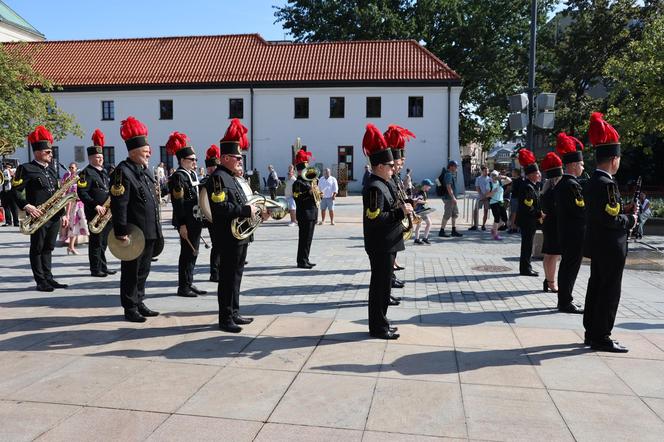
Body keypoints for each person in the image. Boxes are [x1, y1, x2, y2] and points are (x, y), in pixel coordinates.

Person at [583, 112, 637, 352]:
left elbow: (605, 212)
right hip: (610, 245)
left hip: (598, 244)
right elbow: (611, 218)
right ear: (614, 159)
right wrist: (631, 218)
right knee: (609, 290)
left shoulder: (592, 181)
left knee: (596, 286)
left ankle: (591, 330)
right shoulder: (607, 184)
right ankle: (602, 335)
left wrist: (622, 210)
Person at [206, 118, 262, 333]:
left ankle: (234, 312)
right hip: (227, 237)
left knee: (236, 276)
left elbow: (242, 203)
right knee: (227, 279)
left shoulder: (232, 178)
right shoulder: (219, 179)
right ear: (226, 158)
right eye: (238, 158)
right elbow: (221, 209)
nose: (240, 161)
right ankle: (225, 318)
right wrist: (246, 211)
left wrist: (256, 212)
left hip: (239, 236)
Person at [362, 123, 412, 339]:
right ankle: (378, 327)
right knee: (379, 288)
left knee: (384, 288)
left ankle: (382, 322)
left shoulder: (383, 183)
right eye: (390, 166)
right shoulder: (375, 187)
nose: (394, 169)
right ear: (380, 166)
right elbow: (376, 219)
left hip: (388, 241)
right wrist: (400, 213)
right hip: (380, 243)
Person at [111, 116, 162, 323]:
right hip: (133, 233)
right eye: (145, 150)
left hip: (148, 231)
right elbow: (119, 204)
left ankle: (140, 300)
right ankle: (130, 307)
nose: (149, 152)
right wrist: (120, 231)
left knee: (143, 270)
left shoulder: (144, 171)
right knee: (131, 272)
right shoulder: (122, 172)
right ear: (133, 151)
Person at [12, 126, 70, 292]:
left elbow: (57, 193)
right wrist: (27, 206)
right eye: (47, 152)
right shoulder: (25, 168)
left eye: (51, 152)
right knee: (37, 248)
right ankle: (40, 280)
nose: (50, 155)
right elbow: (15, 191)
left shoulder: (51, 169)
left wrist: (63, 213)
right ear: (37, 152)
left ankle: (48, 277)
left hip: (53, 216)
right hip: (38, 215)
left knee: (48, 247)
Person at [166, 131, 207, 298]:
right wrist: (182, 224)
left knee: (193, 252)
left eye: (196, 160)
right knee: (187, 253)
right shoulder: (178, 177)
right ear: (183, 161)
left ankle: (189, 282)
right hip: (186, 221)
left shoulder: (191, 174)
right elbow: (178, 203)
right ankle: (183, 287)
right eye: (192, 160)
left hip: (195, 219)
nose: (195, 162)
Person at [554, 132, 586, 314]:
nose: (583, 167)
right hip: (574, 233)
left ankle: (565, 299)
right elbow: (581, 210)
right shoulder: (572, 185)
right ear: (573, 165)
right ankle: (566, 301)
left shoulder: (562, 184)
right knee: (570, 267)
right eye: (581, 164)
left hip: (567, 232)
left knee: (567, 266)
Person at [77, 129, 115, 277]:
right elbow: (82, 192)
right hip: (95, 212)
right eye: (97, 157)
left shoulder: (104, 172)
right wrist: (95, 205)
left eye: (101, 156)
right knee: (96, 242)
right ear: (91, 158)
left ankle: (103, 267)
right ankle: (95, 269)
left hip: (107, 211)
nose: (100, 159)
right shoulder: (86, 173)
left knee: (104, 241)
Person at [385, 124, 415, 295]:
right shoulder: (388, 178)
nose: (402, 165)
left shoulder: (395, 177)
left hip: (396, 220)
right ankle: (389, 279)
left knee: (394, 252)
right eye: (400, 162)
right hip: (390, 223)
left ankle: (390, 278)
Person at [515, 149, 542, 277]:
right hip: (527, 221)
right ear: (531, 174)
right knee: (527, 245)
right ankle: (525, 269)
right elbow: (528, 206)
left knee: (528, 245)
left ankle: (527, 267)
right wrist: (538, 215)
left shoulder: (532, 186)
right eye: (537, 173)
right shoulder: (528, 187)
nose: (539, 175)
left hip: (529, 220)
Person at [540, 152, 563, 293]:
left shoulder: (546, 190)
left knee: (550, 254)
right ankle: (551, 282)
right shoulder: (554, 191)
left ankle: (548, 280)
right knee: (553, 255)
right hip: (554, 224)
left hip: (549, 224)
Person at [292, 149, 318, 268]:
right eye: (304, 170)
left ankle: (305, 258)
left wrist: (318, 194)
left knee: (308, 239)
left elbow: (314, 196)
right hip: (304, 214)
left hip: (312, 214)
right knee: (304, 239)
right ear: (300, 170)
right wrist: (309, 192)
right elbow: (297, 197)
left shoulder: (308, 182)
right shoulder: (297, 183)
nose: (307, 171)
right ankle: (301, 261)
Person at [62, 162, 89, 255]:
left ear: (76, 168)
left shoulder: (79, 176)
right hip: (71, 203)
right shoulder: (67, 176)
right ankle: (71, 246)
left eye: (72, 167)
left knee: (78, 224)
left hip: (79, 204)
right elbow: (64, 189)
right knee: (72, 225)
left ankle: (71, 247)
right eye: (69, 167)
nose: (70, 169)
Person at [203, 144, 221, 282]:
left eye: (214, 167)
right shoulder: (205, 182)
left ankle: (219, 270)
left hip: (221, 217)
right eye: (211, 167)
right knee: (217, 245)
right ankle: (214, 272)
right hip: (211, 218)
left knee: (220, 245)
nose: (213, 169)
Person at [438, 160, 463, 238]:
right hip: (449, 198)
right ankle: (441, 231)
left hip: (452, 198)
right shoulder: (448, 175)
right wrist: (453, 197)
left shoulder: (451, 174)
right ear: (451, 166)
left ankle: (453, 230)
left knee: (454, 214)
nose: (456, 168)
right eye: (456, 166)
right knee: (447, 215)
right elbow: (448, 187)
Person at [486, 170, 511, 240]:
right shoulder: (489, 184)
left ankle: (494, 229)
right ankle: (495, 234)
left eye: (496, 175)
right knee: (497, 218)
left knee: (504, 219)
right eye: (493, 175)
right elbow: (487, 195)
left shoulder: (500, 182)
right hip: (493, 202)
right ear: (491, 176)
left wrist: (502, 177)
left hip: (501, 202)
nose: (494, 177)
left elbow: (509, 180)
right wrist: (493, 192)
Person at [469, 165, 491, 231]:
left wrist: (486, 196)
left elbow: (491, 188)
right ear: (482, 171)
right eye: (485, 171)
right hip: (480, 197)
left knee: (486, 211)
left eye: (487, 171)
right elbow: (477, 187)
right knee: (475, 210)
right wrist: (481, 195)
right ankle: (475, 225)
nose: (486, 172)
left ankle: (483, 225)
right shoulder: (478, 178)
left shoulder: (490, 179)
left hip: (487, 197)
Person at [413, 179, 433, 244]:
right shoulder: (420, 192)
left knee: (420, 225)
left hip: (421, 210)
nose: (430, 187)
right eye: (429, 186)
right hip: (420, 211)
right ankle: (423, 238)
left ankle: (418, 239)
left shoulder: (423, 192)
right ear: (425, 186)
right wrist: (425, 201)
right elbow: (417, 200)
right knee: (427, 223)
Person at [508, 168, 523, 233]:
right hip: (517, 198)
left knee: (514, 213)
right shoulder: (520, 180)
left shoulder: (517, 180)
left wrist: (510, 188)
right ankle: (515, 227)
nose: (512, 173)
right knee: (516, 213)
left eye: (513, 172)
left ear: (516, 173)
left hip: (515, 198)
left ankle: (512, 227)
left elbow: (512, 189)